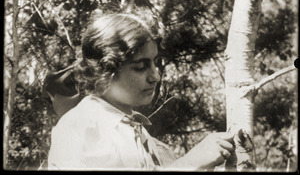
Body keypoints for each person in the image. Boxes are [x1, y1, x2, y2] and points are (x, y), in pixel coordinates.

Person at [46, 10, 234, 171]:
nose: (155, 76)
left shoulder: (142, 136)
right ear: (105, 69)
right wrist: (190, 163)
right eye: (140, 66)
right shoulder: (80, 128)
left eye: (155, 63)